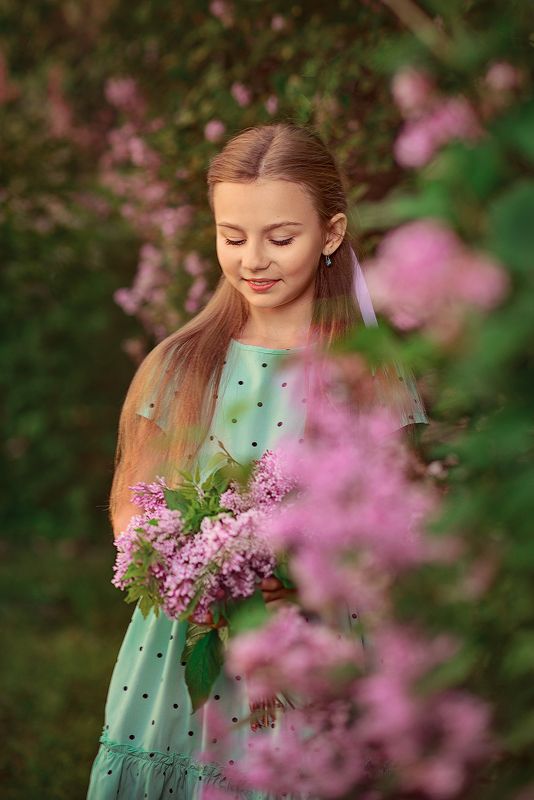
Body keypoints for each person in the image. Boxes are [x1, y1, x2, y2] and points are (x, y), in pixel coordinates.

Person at [86, 121, 428, 800]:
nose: (253, 260)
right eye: (232, 238)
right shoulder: (183, 365)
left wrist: (307, 576)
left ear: (330, 234)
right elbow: (133, 502)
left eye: (280, 237)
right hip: (182, 661)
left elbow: (406, 528)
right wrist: (191, 565)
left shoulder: (364, 374)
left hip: (314, 651)